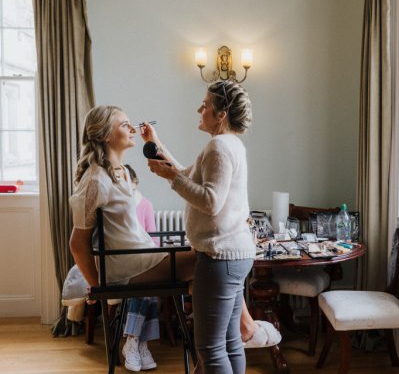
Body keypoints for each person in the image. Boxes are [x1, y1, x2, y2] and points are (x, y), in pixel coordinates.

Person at [142, 80, 260, 373]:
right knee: (230, 341)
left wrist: (171, 179)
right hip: (235, 256)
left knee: (209, 347)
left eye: (205, 104)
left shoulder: (219, 147)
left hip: (219, 258)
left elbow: (210, 201)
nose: (199, 108)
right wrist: (158, 146)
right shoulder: (230, 144)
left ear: (221, 114)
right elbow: (189, 175)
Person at [68, 105, 197, 372]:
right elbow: (77, 244)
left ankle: (211, 350)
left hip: (141, 256)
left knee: (207, 272)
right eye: (123, 124)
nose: (131, 128)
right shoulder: (95, 180)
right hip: (128, 265)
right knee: (208, 256)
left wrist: (156, 143)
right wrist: (98, 285)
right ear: (105, 134)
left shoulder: (122, 172)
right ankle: (226, 341)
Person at [120, 164, 160, 371]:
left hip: (144, 259)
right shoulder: (115, 206)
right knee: (145, 284)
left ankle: (135, 341)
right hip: (124, 262)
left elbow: (154, 238)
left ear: (135, 183)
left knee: (148, 282)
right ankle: (138, 341)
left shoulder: (145, 204)